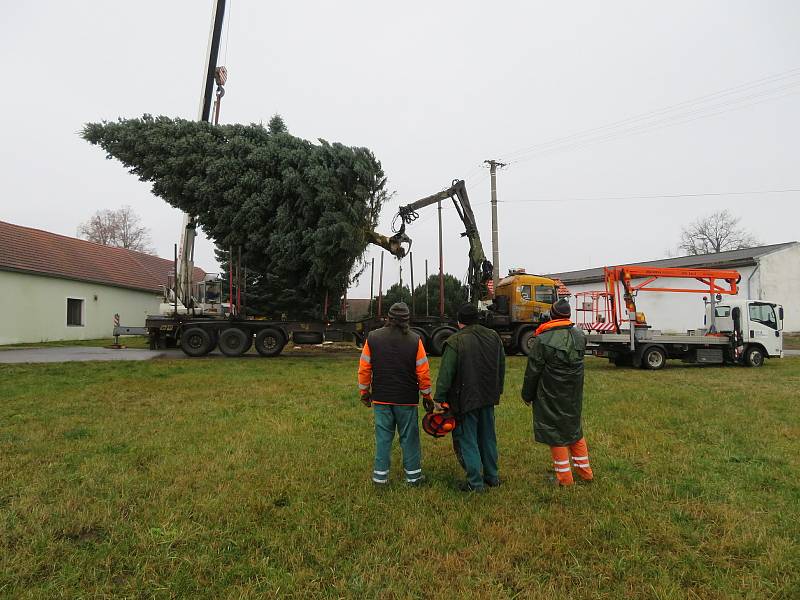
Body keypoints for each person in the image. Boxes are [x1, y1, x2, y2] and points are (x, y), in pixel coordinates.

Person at [358, 302, 432, 486]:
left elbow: (364, 368)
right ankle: (413, 478)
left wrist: (364, 391)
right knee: (409, 439)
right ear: (407, 320)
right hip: (406, 400)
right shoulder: (415, 340)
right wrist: (427, 396)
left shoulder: (373, 338)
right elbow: (423, 372)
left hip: (381, 398)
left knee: (383, 438)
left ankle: (380, 478)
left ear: (388, 318)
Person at [521, 298, 594, 486]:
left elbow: (533, 371)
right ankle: (585, 473)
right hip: (573, 391)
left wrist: (527, 395)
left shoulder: (543, 340)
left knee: (555, 432)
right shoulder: (580, 335)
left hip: (550, 391)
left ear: (552, 315)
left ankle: (564, 478)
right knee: (574, 428)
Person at [434, 303, 505, 492]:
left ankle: (475, 482)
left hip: (464, 399)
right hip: (488, 396)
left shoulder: (455, 341)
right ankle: (492, 476)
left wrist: (439, 398)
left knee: (467, 439)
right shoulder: (494, 337)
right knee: (488, 436)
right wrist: (498, 390)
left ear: (459, 322)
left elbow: (446, 373)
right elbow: (501, 366)